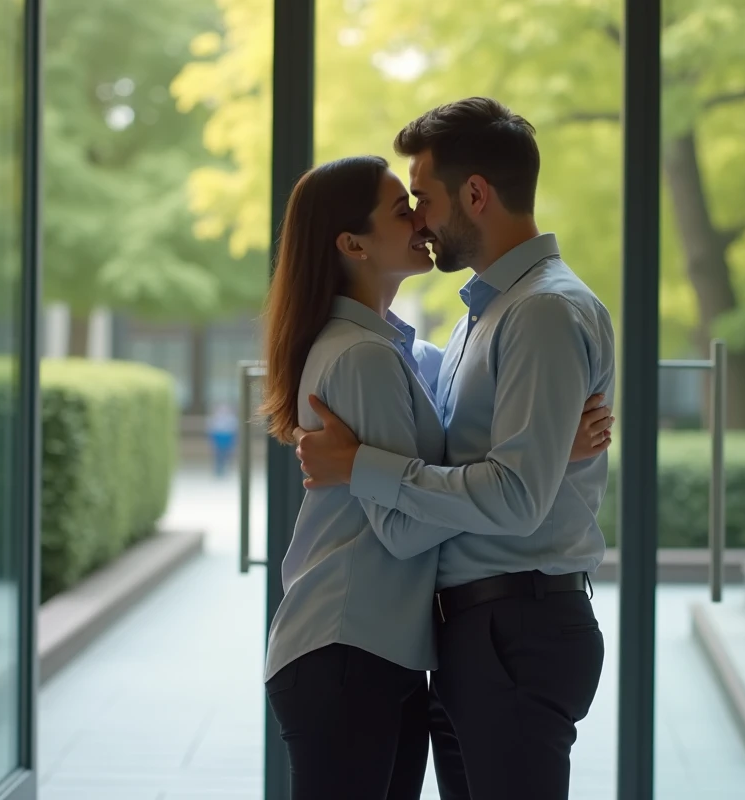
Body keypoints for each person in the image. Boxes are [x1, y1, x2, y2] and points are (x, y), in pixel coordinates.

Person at [258, 154, 613, 800]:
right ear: (353, 244)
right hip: (347, 645)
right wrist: (536, 467)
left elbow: (463, 434)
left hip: (377, 648)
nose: (421, 222)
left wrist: (540, 458)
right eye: (404, 209)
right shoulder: (363, 357)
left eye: (419, 203)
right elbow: (401, 529)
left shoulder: (404, 350)